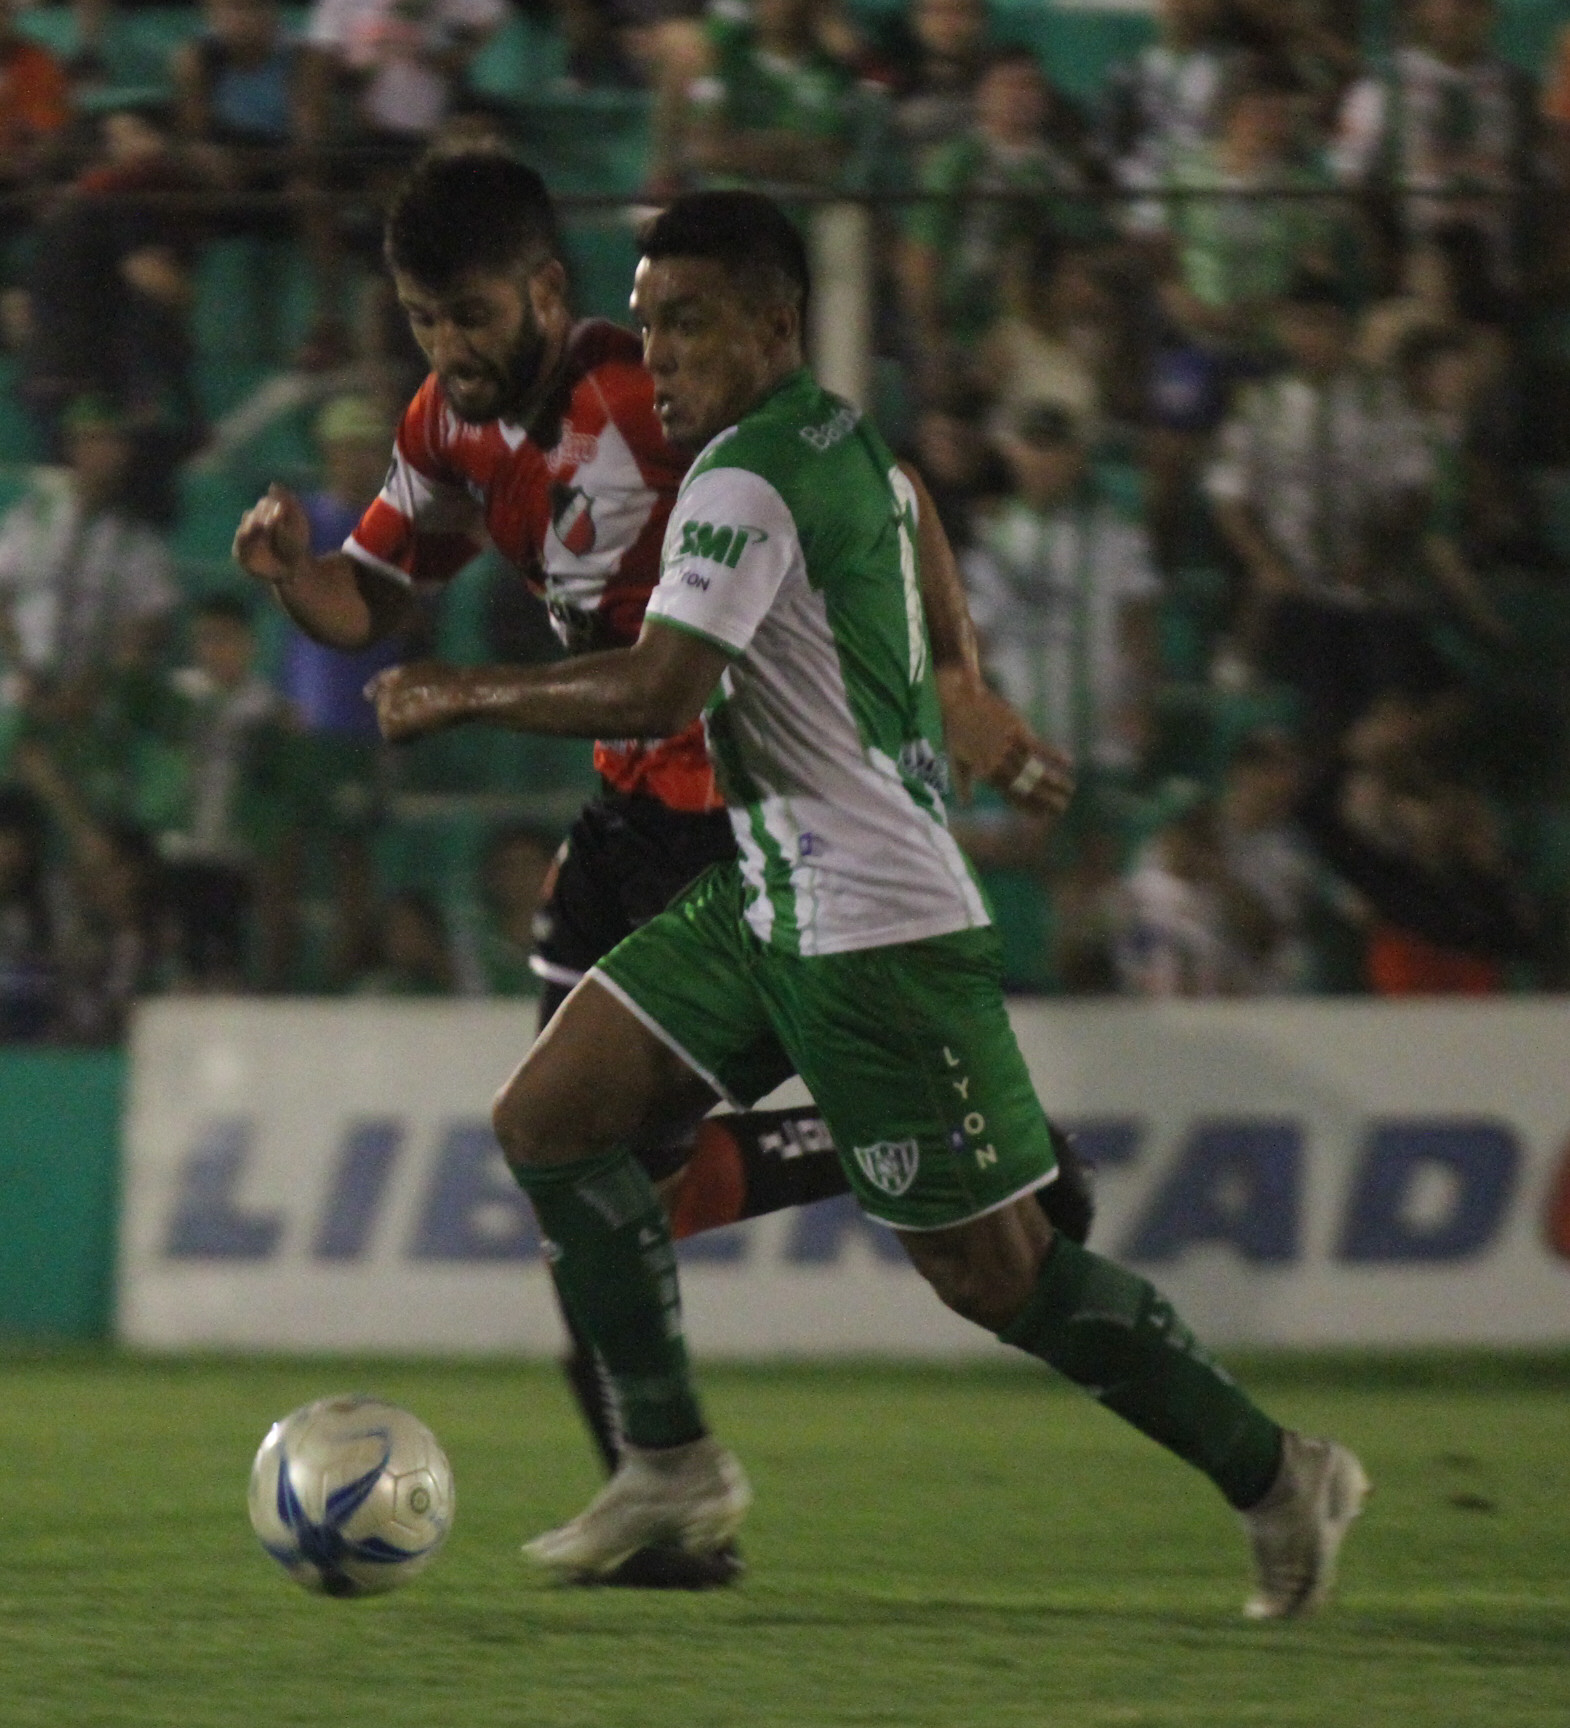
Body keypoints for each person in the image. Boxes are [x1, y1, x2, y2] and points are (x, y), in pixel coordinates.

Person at [349, 189, 1367, 1614]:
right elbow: (905, 518)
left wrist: (464, 689)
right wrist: (958, 676)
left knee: (999, 1277)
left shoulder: (744, 479)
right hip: (764, 891)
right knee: (550, 1120)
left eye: (690, 324)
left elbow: (661, 685)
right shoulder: (833, 435)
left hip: (873, 923)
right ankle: (668, 1464)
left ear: (776, 323)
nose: (659, 354)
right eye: (647, 324)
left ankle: (1279, 1473)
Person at [233, 151, 1091, 1588]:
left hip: (734, 815)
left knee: (614, 1171)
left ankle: (891, 1198)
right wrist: (286, 576)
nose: (446, 347)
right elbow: (367, 600)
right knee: (576, 1170)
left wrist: (953, 674)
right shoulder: (445, 425)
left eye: (467, 315)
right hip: (624, 814)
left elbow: (881, 486)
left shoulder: (652, 390)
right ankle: (661, 1507)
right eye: (422, 319)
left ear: (543, 291)